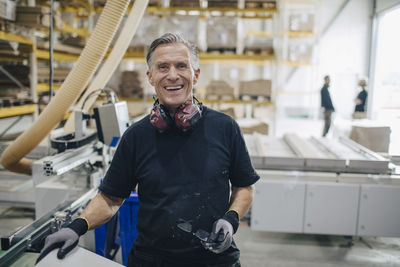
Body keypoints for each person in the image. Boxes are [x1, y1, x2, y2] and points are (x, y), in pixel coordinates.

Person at [36, 33, 260, 267]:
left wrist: (230, 219)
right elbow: (111, 198)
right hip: (152, 260)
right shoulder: (136, 136)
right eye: (163, 67)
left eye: (181, 66)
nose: (172, 75)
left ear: (196, 74)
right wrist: (76, 226)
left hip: (216, 260)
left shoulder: (225, 128)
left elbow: (245, 186)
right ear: (151, 77)